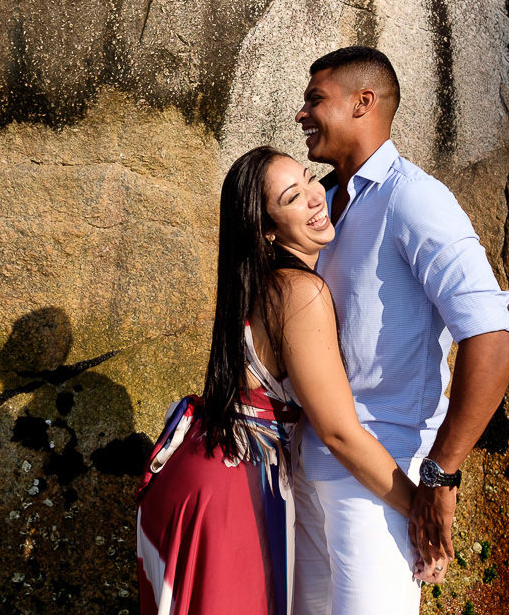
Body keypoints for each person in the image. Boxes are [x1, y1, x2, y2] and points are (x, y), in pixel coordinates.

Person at [136, 146, 427, 615]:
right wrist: (421, 510)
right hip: (232, 483)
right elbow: (338, 432)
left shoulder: (256, 282)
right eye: (293, 197)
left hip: (199, 466)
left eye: (311, 179)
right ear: (268, 230)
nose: (315, 197)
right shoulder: (300, 292)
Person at [291, 46, 509, 614]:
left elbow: (492, 332)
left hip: (380, 482)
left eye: (315, 99)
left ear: (363, 103)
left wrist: (441, 477)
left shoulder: (414, 198)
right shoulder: (321, 207)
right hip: (305, 474)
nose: (301, 114)